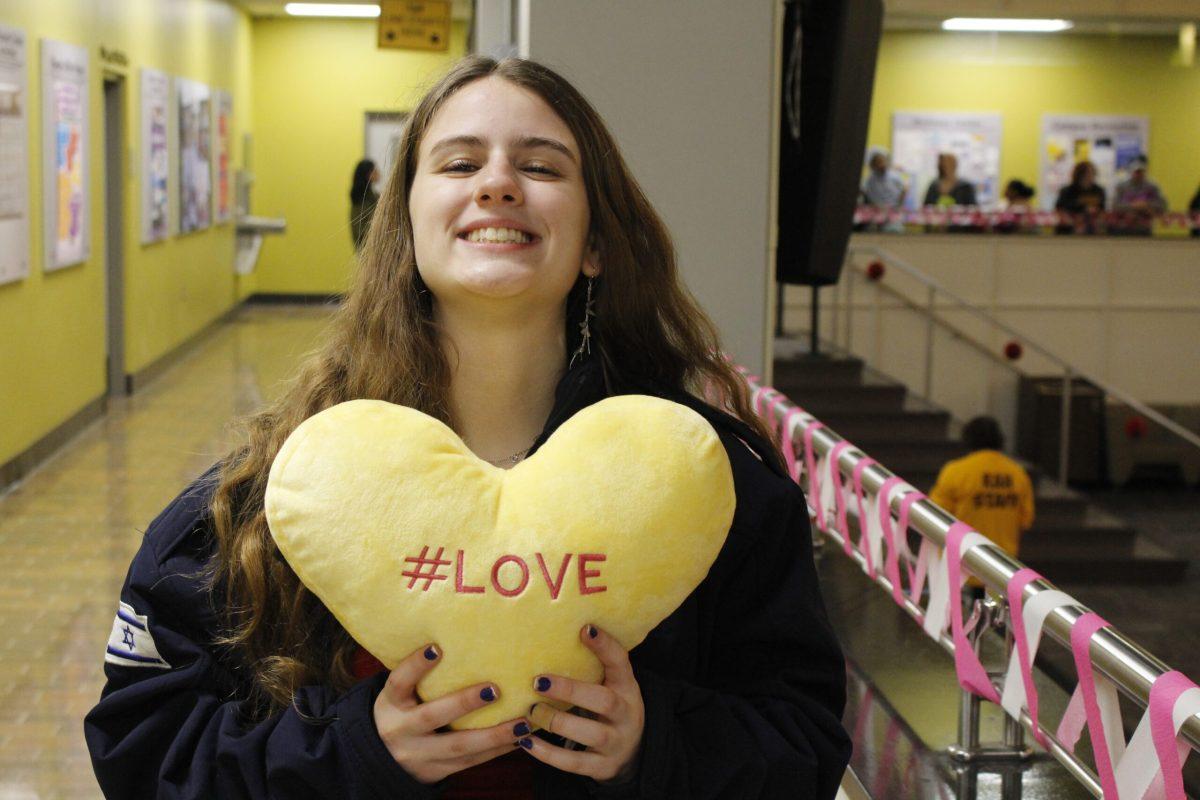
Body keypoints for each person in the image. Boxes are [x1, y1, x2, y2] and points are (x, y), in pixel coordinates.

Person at [84, 56, 851, 799]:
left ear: (595, 243)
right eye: (458, 165)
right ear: (405, 229)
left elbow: (804, 742)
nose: (497, 185)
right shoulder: (272, 492)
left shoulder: (706, 488)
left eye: (542, 167)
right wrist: (350, 753)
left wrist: (654, 747)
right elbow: (143, 747)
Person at [929, 416, 1035, 564]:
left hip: (961, 564)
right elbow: (1025, 520)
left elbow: (936, 513)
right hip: (1002, 566)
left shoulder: (955, 471)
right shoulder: (1018, 474)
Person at [1111, 155, 1166, 236]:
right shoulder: (1121, 186)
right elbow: (1115, 206)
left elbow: (1162, 205)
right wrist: (1134, 206)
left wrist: (1146, 205)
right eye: (1136, 172)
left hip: (1145, 226)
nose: (1139, 174)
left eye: (1141, 171)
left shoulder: (1152, 187)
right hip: (1124, 227)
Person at [1054, 160, 1107, 235]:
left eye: (1092, 173)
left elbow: (1102, 210)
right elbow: (1060, 209)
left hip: (1093, 227)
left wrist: (1098, 221)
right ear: (1080, 175)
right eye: (1087, 174)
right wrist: (1073, 222)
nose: (1090, 176)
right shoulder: (1067, 191)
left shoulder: (1098, 191)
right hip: (1069, 228)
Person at [860, 147, 906, 231]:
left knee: (893, 231)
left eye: (883, 161)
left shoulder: (894, 176)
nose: (882, 165)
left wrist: (898, 205)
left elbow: (904, 189)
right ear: (872, 165)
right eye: (879, 162)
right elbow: (865, 193)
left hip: (893, 213)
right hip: (875, 213)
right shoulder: (869, 180)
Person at [350, 158, 381, 250]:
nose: (378, 173)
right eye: (375, 170)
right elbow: (361, 232)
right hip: (369, 251)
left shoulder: (374, 196)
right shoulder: (360, 201)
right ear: (369, 174)